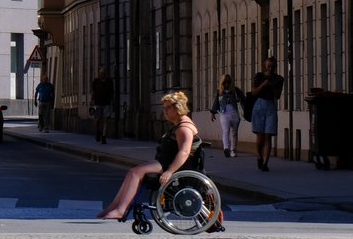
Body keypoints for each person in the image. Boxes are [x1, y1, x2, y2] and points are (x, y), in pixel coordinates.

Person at [96, 91, 203, 220]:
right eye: (164, 108)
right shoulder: (180, 124)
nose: (165, 111)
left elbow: (184, 152)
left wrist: (169, 171)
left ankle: (121, 209)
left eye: (168, 108)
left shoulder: (184, 128)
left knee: (136, 172)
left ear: (177, 108)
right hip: (165, 161)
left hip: (172, 165)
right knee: (132, 172)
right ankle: (114, 207)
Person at [250, 56, 284, 171]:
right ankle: (259, 156)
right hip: (259, 105)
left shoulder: (279, 79)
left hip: (271, 106)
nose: (270, 68)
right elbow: (254, 92)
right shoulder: (259, 76)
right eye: (269, 66)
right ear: (265, 65)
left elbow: (278, 96)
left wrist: (272, 86)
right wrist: (263, 85)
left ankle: (265, 163)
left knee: (268, 135)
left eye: (273, 66)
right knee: (260, 137)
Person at [213, 73, 242, 157]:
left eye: (228, 82)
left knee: (234, 132)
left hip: (235, 113)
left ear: (231, 82)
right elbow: (216, 103)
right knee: (225, 131)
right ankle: (226, 148)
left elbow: (243, 100)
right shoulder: (220, 92)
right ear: (222, 83)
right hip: (224, 113)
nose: (227, 84)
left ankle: (233, 150)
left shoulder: (236, 90)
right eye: (225, 82)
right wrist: (213, 113)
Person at [91, 66, 114, 144]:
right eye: (101, 73)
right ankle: (98, 131)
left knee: (106, 120)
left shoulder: (109, 82)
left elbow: (112, 92)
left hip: (107, 103)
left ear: (106, 74)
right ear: (99, 74)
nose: (102, 75)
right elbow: (93, 92)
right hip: (98, 103)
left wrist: (112, 101)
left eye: (104, 73)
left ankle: (104, 137)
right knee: (97, 119)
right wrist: (91, 100)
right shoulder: (96, 81)